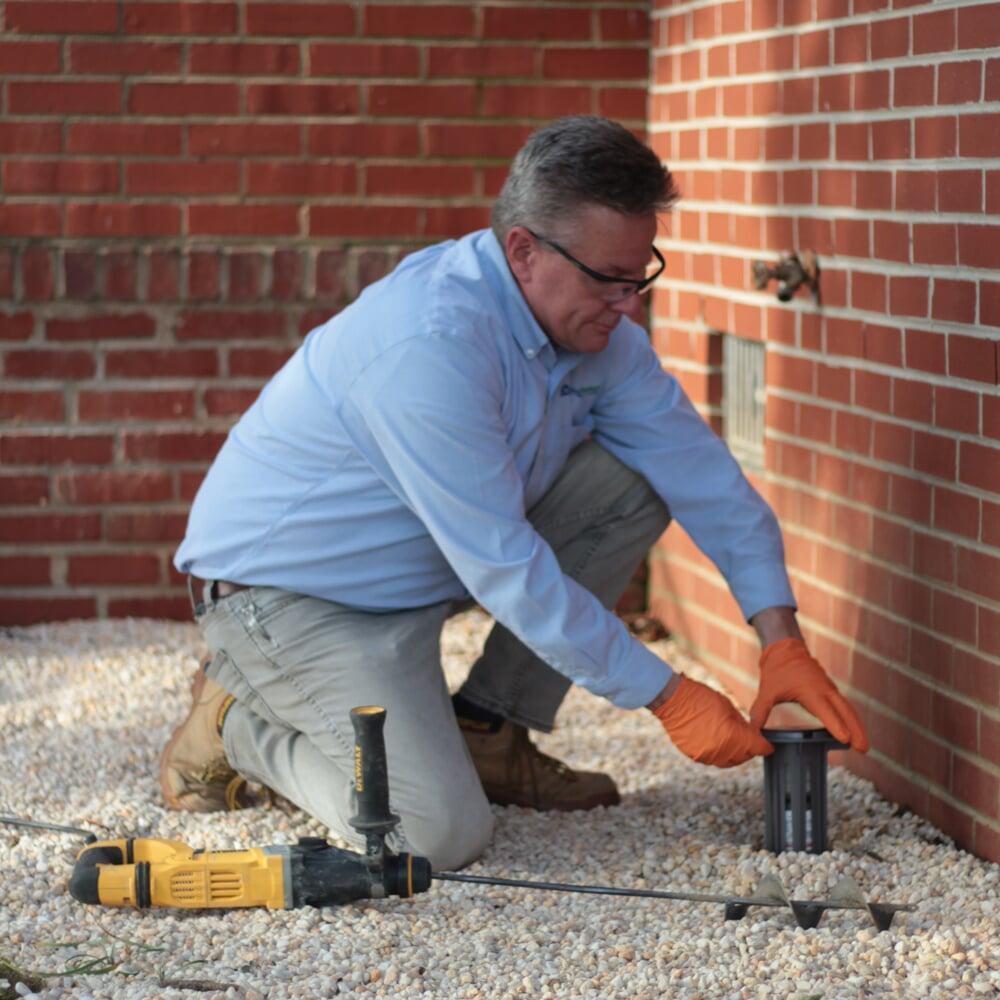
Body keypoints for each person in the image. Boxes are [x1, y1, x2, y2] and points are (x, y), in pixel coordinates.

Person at [162, 116, 868, 871]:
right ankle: (237, 725)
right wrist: (667, 695)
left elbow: (702, 475)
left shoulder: (595, 332)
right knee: (432, 836)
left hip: (418, 575)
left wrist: (780, 638)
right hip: (290, 600)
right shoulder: (431, 349)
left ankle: (487, 733)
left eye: (641, 276)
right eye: (608, 279)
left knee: (636, 481)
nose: (629, 305)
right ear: (524, 251)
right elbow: (507, 570)